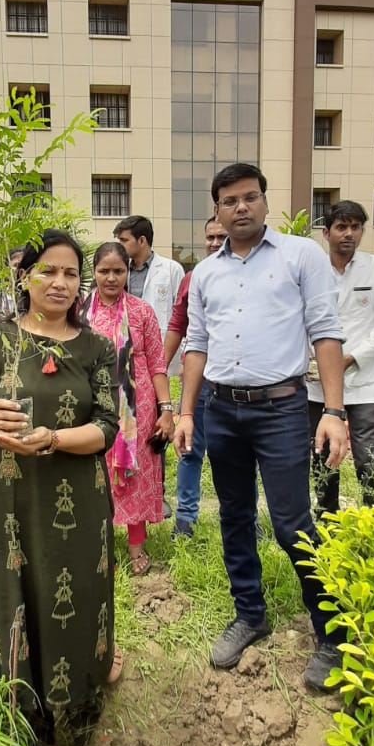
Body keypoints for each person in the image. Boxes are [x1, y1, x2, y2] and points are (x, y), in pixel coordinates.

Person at [0, 230, 119, 746]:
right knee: (20, 601)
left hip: (78, 499)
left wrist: (49, 439)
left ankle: (80, 699)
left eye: (71, 274)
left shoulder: (98, 347)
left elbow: (107, 429)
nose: (60, 283)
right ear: (25, 276)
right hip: (9, 506)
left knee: (75, 597)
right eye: (48, 271)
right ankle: (39, 743)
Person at [174, 163, 349, 691]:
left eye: (250, 197)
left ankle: (332, 635)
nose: (241, 208)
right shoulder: (205, 274)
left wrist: (336, 413)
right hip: (221, 410)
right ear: (218, 210)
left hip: (281, 409)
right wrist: (185, 411)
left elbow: (325, 333)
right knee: (234, 514)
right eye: (230, 201)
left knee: (293, 522)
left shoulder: (302, 256)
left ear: (265, 201)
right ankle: (250, 613)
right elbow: (196, 344)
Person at [82, 242, 174, 574]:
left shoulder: (141, 311)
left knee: (135, 475)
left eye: (118, 271)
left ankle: (137, 550)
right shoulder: (79, 313)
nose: (111, 278)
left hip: (139, 408)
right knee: (94, 476)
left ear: (128, 272)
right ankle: (98, 547)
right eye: (104, 271)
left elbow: (157, 364)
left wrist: (166, 409)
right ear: (93, 272)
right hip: (91, 406)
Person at [307, 201, 374, 518]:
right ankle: (327, 519)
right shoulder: (312, 270)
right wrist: (315, 359)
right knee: (322, 451)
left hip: (362, 377)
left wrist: (352, 357)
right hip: (317, 382)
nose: (349, 233)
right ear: (326, 232)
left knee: (369, 454)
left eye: (356, 227)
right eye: (341, 227)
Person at [113, 215, 185, 518]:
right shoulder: (119, 271)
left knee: (157, 429)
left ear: (141, 241)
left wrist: (161, 360)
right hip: (121, 364)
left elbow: (180, 317)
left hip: (157, 363)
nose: (120, 246)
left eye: (124, 240)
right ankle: (122, 491)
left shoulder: (171, 270)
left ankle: (158, 493)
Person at [165, 217, 227, 538]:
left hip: (235, 384)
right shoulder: (193, 278)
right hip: (198, 381)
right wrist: (159, 366)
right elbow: (178, 325)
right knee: (189, 449)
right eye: (210, 237)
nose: (215, 243)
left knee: (235, 456)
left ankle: (245, 520)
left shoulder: (248, 277)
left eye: (221, 237)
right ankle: (185, 520)